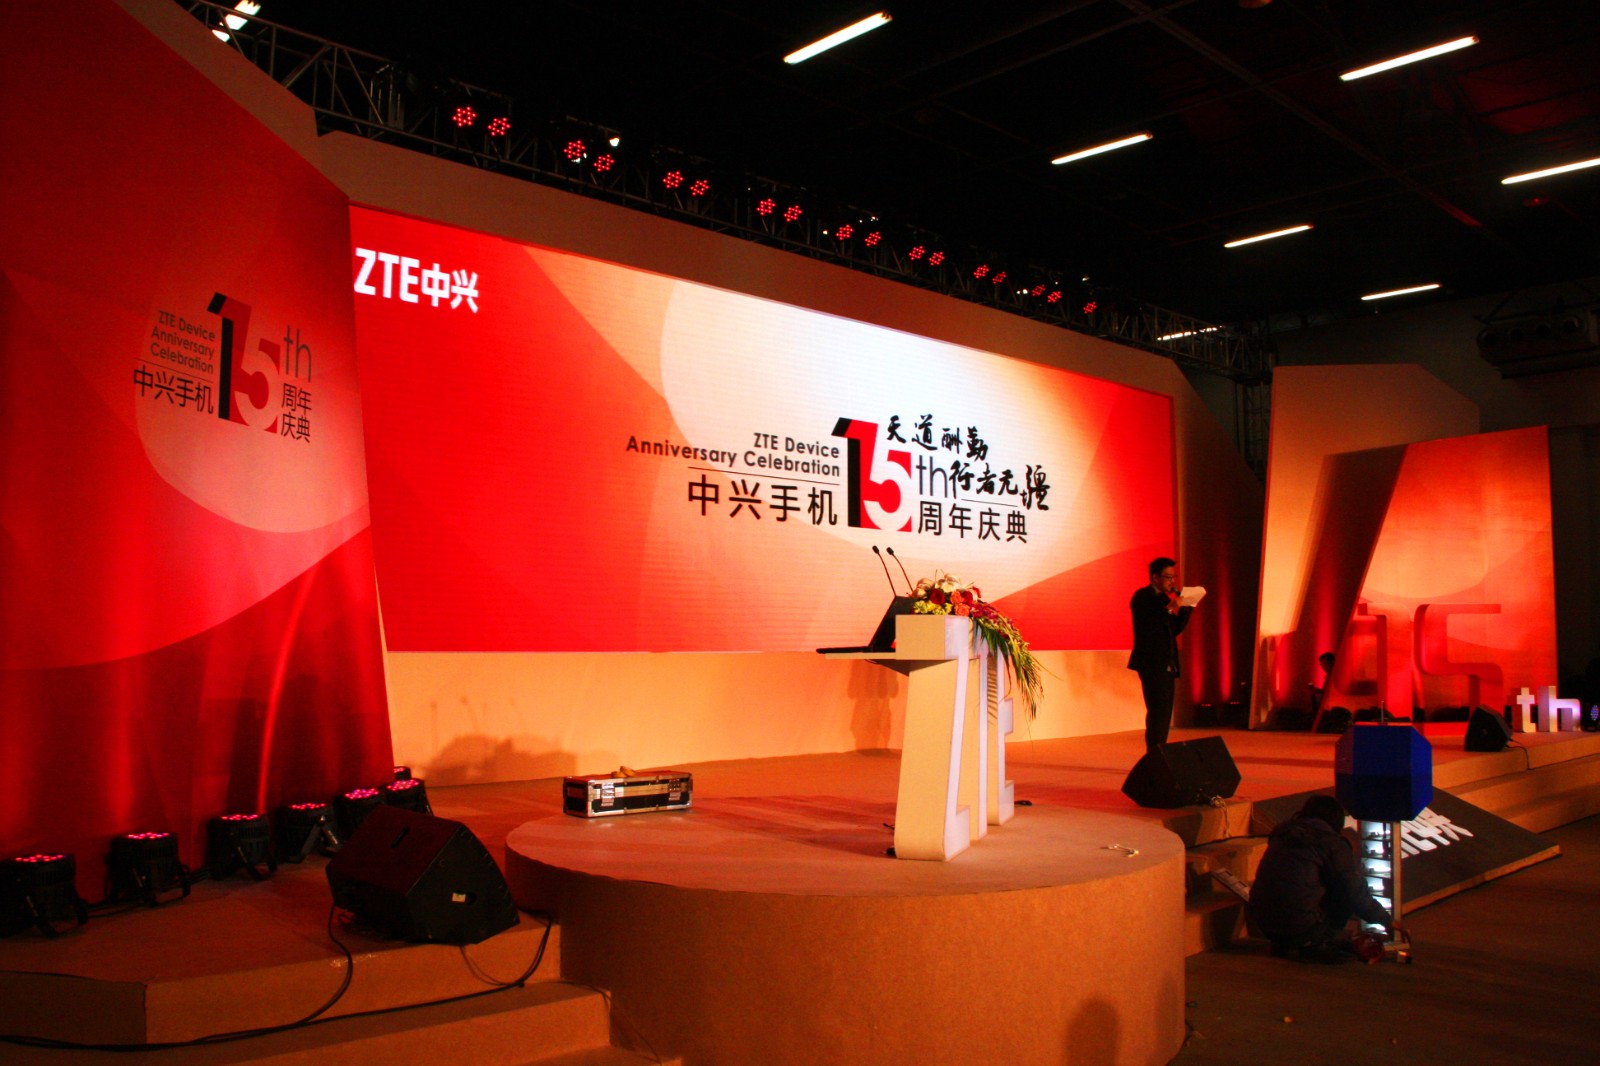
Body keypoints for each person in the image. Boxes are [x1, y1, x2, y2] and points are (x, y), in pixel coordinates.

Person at [1247, 795, 1393, 963]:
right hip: (1298, 924)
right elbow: (1354, 892)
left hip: (1263, 921)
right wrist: (1386, 920)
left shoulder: (1283, 833)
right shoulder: (1331, 843)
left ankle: (1285, 943)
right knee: (1343, 891)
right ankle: (1315, 942)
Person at [1127, 556, 1193, 752]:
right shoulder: (1142, 597)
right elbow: (1150, 626)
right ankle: (1155, 753)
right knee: (1157, 711)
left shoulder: (1164, 599)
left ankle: (1159, 751)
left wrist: (1186, 609)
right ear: (1155, 577)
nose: (1172, 582)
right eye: (1168, 577)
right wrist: (1171, 607)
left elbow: (1173, 629)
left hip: (1167, 663)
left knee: (1165, 713)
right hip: (1151, 663)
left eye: (1174, 577)